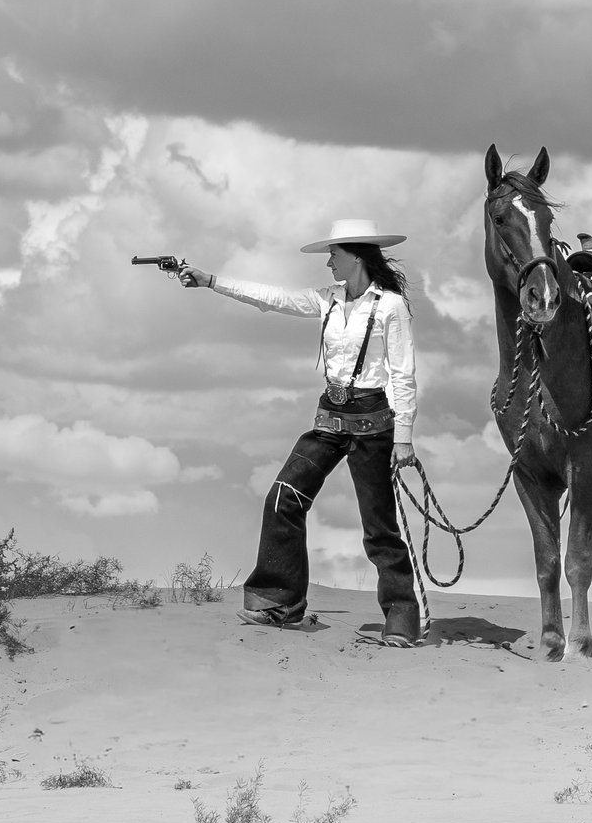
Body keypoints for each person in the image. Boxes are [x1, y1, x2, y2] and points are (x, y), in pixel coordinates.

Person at [172, 219, 425, 646]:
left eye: (334, 255)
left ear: (356, 257)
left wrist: (403, 436)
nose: (328, 262)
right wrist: (211, 281)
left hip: (372, 423)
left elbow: (404, 375)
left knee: (378, 527)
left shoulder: (391, 307)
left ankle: (401, 618)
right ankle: (279, 603)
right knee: (283, 498)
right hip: (328, 419)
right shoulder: (327, 300)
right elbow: (273, 299)